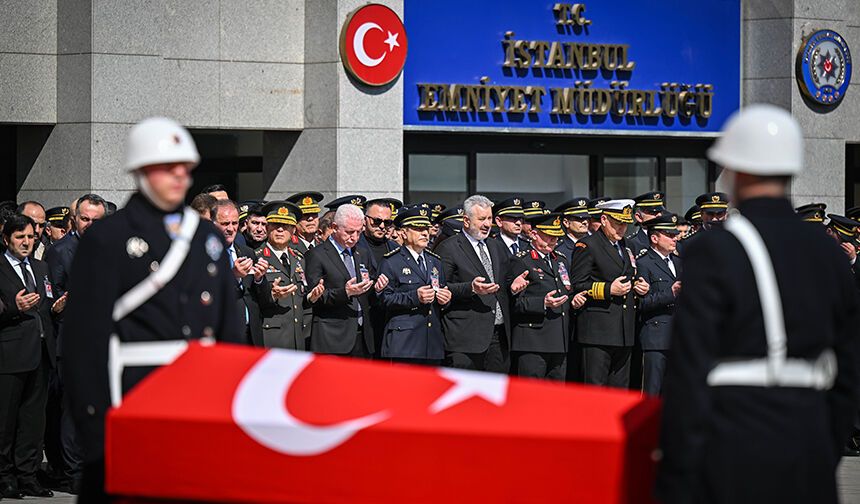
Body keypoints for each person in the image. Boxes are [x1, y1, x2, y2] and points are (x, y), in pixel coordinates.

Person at [656, 105, 860, 504]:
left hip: (734, 441)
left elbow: (689, 367)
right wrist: (825, 445)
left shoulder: (713, 249)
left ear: (739, 171)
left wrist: (676, 470)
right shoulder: (829, 253)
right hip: (810, 441)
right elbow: (848, 370)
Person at [62, 117, 245, 501]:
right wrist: (99, 435)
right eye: (167, 167)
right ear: (141, 170)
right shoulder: (108, 238)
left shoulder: (206, 238)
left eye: (185, 168)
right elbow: (84, 343)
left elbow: (229, 332)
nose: (179, 176)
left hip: (197, 403)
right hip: (133, 396)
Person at [0, 214, 65, 499]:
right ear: (6, 239)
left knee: (33, 420)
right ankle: (5, 476)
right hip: (10, 354)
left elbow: (45, 301)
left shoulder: (42, 266)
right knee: (6, 420)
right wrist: (13, 307)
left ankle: (28, 475)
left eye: (30, 236)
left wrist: (56, 307)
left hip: (41, 352)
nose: (26, 242)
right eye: (19, 237)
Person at [435, 195, 529, 373]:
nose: (487, 224)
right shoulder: (449, 247)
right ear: (466, 220)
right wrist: (470, 288)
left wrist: (515, 284)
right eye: (481, 219)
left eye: (490, 218)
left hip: (498, 336)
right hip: (465, 338)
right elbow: (440, 287)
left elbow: (505, 277)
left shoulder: (496, 246)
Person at [569, 199, 650, 388]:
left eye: (625, 224)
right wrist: (607, 289)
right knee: (596, 389)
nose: (622, 228)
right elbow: (578, 284)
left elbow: (629, 275)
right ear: (604, 219)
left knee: (619, 390)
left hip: (624, 329)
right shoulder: (587, 245)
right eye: (618, 223)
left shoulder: (627, 246)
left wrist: (640, 287)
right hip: (598, 330)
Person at [509, 212, 587, 380]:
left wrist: (574, 299)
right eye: (548, 236)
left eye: (556, 237)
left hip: (559, 339)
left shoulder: (560, 260)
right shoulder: (521, 260)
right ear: (534, 234)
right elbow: (514, 303)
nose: (553, 241)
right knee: (531, 397)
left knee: (555, 398)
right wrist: (542, 303)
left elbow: (566, 289)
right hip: (533, 340)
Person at [305, 203, 387, 358]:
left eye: (358, 232)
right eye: (349, 232)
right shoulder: (317, 255)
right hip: (333, 337)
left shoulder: (361, 253)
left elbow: (368, 283)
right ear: (335, 227)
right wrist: (346, 292)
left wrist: (377, 286)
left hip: (362, 336)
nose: (354, 237)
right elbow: (315, 297)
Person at [377, 206, 451, 364]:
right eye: (418, 229)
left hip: (431, 343)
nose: (425, 233)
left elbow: (441, 290)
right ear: (404, 233)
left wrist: (445, 300)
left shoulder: (434, 260)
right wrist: (414, 297)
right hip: (404, 343)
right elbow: (383, 300)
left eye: (426, 228)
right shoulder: (391, 261)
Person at [255, 201, 325, 350]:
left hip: (297, 336)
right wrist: (272, 295)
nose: (280, 229)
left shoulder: (299, 258)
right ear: (267, 228)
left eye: (286, 226)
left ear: (293, 230)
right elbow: (252, 300)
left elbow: (300, 298)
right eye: (275, 225)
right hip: (271, 338)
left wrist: (311, 297)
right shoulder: (257, 257)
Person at [634, 213, 682, 396]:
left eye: (675, 234)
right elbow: (642, 303)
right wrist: (671, 293)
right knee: (652, 392)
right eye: (669, 235)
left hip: (678, 336)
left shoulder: (679, 262)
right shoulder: (643, 263)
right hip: (656, 336)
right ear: (654, 238)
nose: (674, 238)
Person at [212, 199, 272, 346]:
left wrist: (259, 279)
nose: (231, 229)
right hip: (223, 335)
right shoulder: (204, 253)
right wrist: (233, 276)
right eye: (225, 224)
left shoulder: (246, 252)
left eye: (234, 223)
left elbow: (262, 299)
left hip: (251, 334)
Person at [360, 198, 401, 266]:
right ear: (364, 220)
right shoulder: (354, 246)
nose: (382, 226)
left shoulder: (396, 248)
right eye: (377, 221)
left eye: (387, 222)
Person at [553, 197, 591, 265]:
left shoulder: (595, 244)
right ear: (566, 223)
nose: (585, 222)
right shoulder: (559, 249)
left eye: (587, 218)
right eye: (579, 219)